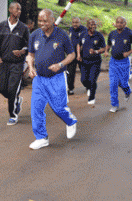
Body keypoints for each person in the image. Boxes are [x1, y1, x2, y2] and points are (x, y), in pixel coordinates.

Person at [27, 9, 77, 150]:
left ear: (52, 21)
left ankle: (71, 121)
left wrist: (61, 64)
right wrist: (31, 66)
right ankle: (42, 137)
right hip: (39, 79)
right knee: (36, 109)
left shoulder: (61, 35)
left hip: (56, 78)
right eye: (40, 21)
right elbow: (30, 54)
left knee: (59, 108)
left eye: (45, 21)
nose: (42, 24)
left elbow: (72, 55)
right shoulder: (35, 35)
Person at [0, 2, 30, 125]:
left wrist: (21, 51)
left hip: (17, 64)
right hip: (3, 64)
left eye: (20, 9)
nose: (19, 11)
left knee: (12, 89)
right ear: (10, 10)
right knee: (3, 89)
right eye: (17, 9)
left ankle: (13, 115)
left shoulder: (23, 28)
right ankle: (16, 100)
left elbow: (28, 46)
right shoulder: (1, 26)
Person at [104, 16, 132, 113]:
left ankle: (127, 91)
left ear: (124, 24)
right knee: (113, 83)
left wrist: (129, 53)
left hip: (124, 63)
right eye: (117, 22)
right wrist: (106, 51)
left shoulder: (129, 34)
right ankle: (114, 104)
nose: (119, 24)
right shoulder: (112, 34)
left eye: (121, 22)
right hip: (113, 62)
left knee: (123, 83)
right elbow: (109, 44)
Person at [77, 19, 106, 104]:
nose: (93, 26)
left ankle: (92, 97)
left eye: (94, 24)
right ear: (87, 26)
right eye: (91, 24)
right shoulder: (83, 34)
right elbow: (79, 44)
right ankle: (89, 87)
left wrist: (96, 51)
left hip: (95, 62)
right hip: (84, 61)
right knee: (83, 80)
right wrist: (78, 54)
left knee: (92, 80)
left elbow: (104, 48)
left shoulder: (99, 36)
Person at [67, 17, 87, 95]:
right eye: (73, 22)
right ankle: (70, 88)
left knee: (84, 72)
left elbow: (82, 43)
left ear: (80, 22)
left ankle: (87, 85)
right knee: (70, 72)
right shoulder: (70, 29)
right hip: (72, 54)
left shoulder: (84, 30)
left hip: (82, 54)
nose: (75, 24)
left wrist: (79, 54)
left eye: (76, 22)